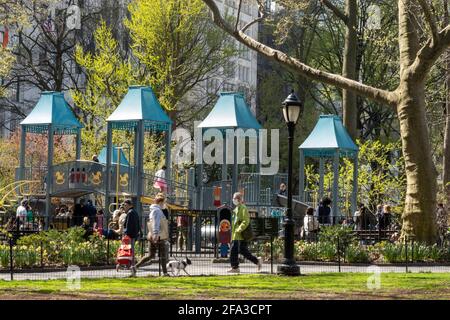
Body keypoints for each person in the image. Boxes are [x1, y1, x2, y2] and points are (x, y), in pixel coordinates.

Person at [228, 192, 262, 274]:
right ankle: (235, 267)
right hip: (236, 235)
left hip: (241, 235)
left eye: (234, 198)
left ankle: (257, 261)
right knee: (234, 252)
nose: (233, 200)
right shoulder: (236, 209)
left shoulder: (243, 208)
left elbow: (246, 221)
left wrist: (239, 229)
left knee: (242, 251)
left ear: (239, 200)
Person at [136, 193, 169, 276]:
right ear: (161, 202)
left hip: (152, 235)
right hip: (158, 236)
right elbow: (156, 223)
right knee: (163, 255)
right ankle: (165, 273)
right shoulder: (157, 211)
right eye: (164, 202)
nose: (164, 204)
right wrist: (155, 233)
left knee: (151, 255)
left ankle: (135, 267)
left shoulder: (153, 210)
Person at [123, 199, 141, 276]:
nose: (124, 207)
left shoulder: (130, 213)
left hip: (130, 235)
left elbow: (128, 225)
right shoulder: (135, 212)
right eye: (124, 205)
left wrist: (126, 233)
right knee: (131, 250)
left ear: (130, 205)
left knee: (129, 251)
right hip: (133, 234)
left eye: (126, 205)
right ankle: (131, 265)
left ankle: (131, 265)